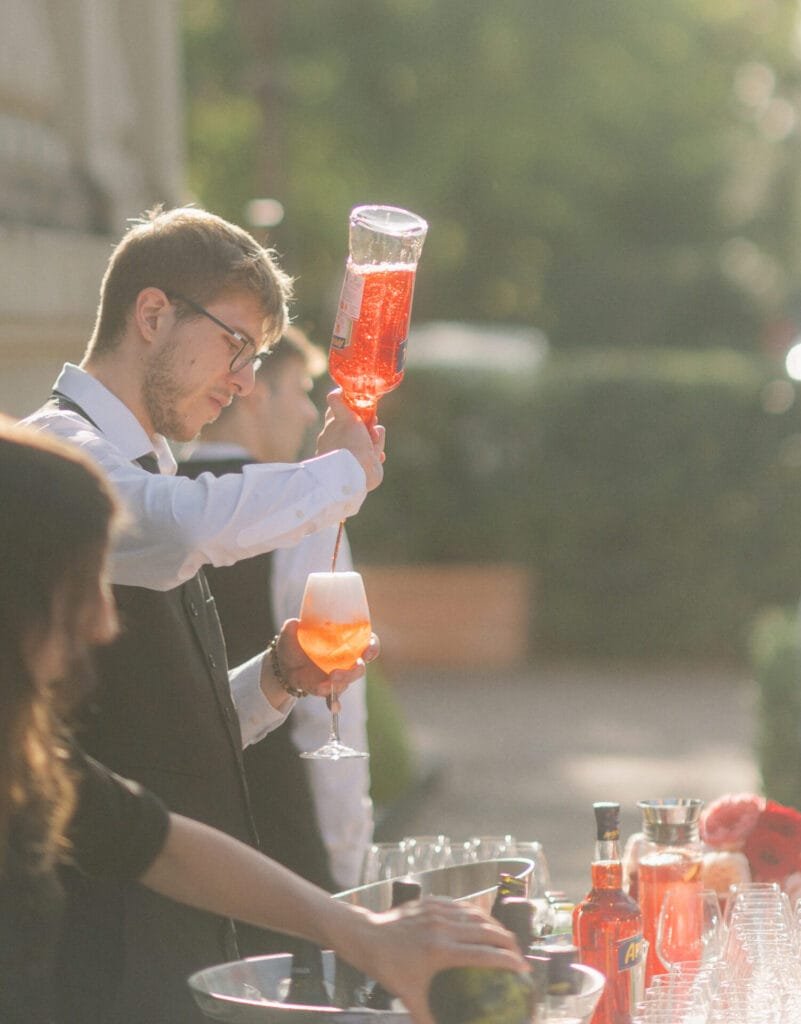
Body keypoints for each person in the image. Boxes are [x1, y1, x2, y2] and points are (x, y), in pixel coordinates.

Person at [0, 417, 526, 1024]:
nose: (103, 623)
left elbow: (160, 843)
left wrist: (364, 932)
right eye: (81, 588)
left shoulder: (29, 754)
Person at [22, 205, 385, 1022]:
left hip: (174, 938)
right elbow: (179, 525)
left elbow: (161, 730)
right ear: (152, 315)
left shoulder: (143, 466)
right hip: (98, 948)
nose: (244, 381)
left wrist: (279, 678)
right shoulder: (58, 456)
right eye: (235, 344)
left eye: (255, 357)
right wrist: (340, 475)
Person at [179, 326, 372, 907]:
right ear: (254, 390)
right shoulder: (301, 510)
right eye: (300, 388)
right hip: (279, 846)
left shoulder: (148, 496)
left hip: (173, 839)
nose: (311, 410)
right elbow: (331, 710)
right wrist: (350, 864)